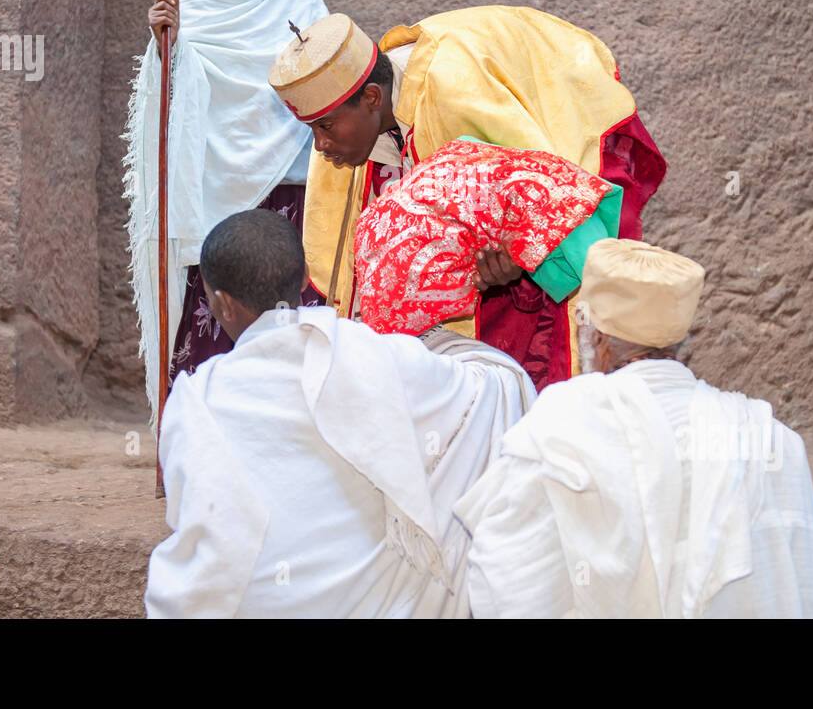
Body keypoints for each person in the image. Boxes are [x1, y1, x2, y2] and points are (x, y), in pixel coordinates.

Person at [143, 210, 536, 618]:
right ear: (303, 278)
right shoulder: (379, 356)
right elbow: (498, 388)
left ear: (221, 302)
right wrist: (435, 335)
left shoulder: (196, 400)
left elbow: (197, 526)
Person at [267, 5, 668, 390]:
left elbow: (536, 188)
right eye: (311, 129)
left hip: (568, 165)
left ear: (373, 98)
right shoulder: (348, 107)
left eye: (326, 127)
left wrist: (513, 252)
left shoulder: (455, 90)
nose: (319, 146)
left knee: (545, 351)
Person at [453, 240, 813, 618]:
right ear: (678, 341)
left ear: (597, 338)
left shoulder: (562, 419)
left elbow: (504, 575)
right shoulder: (771, 440)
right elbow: (801, 587)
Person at [125, 0, 328, 428]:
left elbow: (322, 70)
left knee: (290, 312)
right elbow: (178, 88)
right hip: (220, 195)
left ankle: (296, 435)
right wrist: (168, 44)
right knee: (219, 315)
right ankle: (208, 440)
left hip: (289, 182)